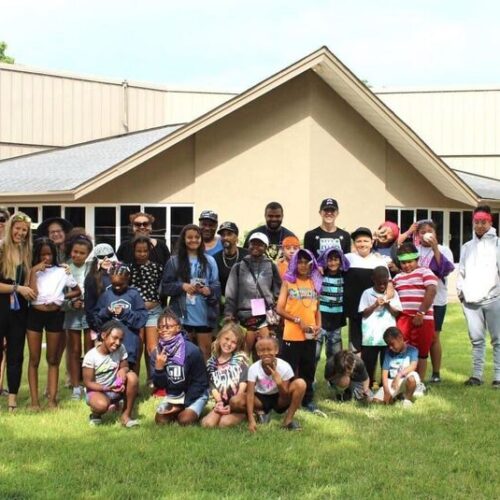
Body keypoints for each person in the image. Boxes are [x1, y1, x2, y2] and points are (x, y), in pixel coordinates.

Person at [27, 237, 81, 409]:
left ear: (54, 254)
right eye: (42, 255)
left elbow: (77, 290)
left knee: (52, 358)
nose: (46, 258)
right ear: (37, 255)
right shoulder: (32, 270)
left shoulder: (62, 271)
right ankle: (34, 401)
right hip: (35, 314)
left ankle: (52, 400)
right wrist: (33, 271)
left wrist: (61, 297)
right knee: (34, 358)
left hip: (55, 315)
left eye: (49, 254)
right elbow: (32, 293)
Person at [161, 224, 221, 362]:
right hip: (181, 315)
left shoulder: (210, 261)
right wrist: (182, 286)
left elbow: (217, 285)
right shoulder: (173, 261)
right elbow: (165, 287)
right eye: (189, 237)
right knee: (182, 353)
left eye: (197, 237)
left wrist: (209, 290)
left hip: (204, 314)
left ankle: (204, 376)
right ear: (184, 239)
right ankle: (184, 376)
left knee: (205, 352)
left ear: (201, 239)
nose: (193, 240)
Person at [276, 249, 324, 415]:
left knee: (308, 368)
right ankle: (285, 400)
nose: (303, 265)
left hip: (310, 335)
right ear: (295, 264)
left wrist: (318, 325)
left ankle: (307, 400)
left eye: (306, 262)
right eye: (300, 262)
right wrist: (298, 321)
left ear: (312, 264)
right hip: (292, 335)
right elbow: (279, 309)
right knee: (288, 369)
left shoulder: (314, 282)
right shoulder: (288, 282)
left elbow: (317, 308)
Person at [457, 205, 500, 388]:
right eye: (477, 222)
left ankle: (498, 376)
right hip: (470, 300)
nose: (480, 226)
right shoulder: (467, 246)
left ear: (490, 222)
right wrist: (460, 291)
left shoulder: (497, 244)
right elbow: (462, 271)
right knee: (476, 340)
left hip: (493, 298)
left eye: (484, 222)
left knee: (498, 340)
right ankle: (476, 376)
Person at [0, 212, 36, 411]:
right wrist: (17, 288)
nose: (21, 233)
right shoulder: (1, 249)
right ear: (10, 227)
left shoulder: (27, 253)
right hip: (1, 307)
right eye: (18, 228)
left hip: (19, 311)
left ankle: (12, 398)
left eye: (25, 230)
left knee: (16, 353)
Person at [224, 232, 281, 355]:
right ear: (248, 245)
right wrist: (229, 314)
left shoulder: (271, 266)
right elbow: (231, 292)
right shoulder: (238, 267)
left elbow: (278, 290)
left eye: (260, 244)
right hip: (244, 316)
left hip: (265, 316)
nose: (256, 247)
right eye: (253, 243)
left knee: (265, 351)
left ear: (265, 247)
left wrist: (277, 310)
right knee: (243, 353)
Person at [413, 220, 455, 383]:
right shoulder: (414, 249)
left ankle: (436, 373)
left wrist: (435, 248)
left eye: (430, 231)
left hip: (437, 301)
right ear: (418, 235)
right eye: (422, 232)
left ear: (436, 233)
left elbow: (444, 270)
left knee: (433, 337)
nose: (426, 234)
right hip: (417, 300)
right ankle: (414, 370)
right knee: (416, 336)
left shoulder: (444, 249)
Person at [152, 309, 209, 426]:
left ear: (178, 328)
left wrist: (182, 404)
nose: (164, 330)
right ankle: (178, 410)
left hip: (195, 393)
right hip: (175, 395)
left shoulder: (192, 350)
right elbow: (160, 385)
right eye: (161, 327)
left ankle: (188, 409)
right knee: (160, 421)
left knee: (185, 420)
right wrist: (159, 369)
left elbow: (201, 382)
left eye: (168, 327)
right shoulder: (157, 353)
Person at [393, 242, 437, 383]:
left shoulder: (425, 272)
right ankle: (405, 380)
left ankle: (419, 383)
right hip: (403, 319)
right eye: (403, 263)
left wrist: (421, 313)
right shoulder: (397, 278)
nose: (407, 265)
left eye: (410, 262)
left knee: (422, 352)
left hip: (423, 318)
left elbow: (432, 290)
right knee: (404, 349)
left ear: (417, 259)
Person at [82, 320, 139, 427]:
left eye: (120, 339)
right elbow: (88, 383)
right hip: (97, 391)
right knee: (102, 405)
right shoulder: (91, 356)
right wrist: (107, 388)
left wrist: (123, 371)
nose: (117, 343)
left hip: (114, 389)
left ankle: (126, 416)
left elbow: (125, 366)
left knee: (132, 377)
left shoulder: (120, 348)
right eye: (114, 338)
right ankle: (95, 414)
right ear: (103, 336)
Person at [93, 263, 147, 371]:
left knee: (127, 373)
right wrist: (107, 312)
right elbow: (97, 319)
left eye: (120, 284)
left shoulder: (134, 295)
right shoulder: (106, 295)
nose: (117, 287)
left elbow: (142, 319)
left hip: (129, 343)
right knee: (110, 373)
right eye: (114, 284)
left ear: (127, 279)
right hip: (110, 345)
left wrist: (124, 312)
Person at [245, 337, 306, 431]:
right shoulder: (253, 368)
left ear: (276, 350)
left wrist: (279, 383)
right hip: (261, 399)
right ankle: (260, 413)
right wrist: (251, 420)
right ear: (258, 352)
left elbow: (285, 396)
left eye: (269, 349)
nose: (266, 353)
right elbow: (250, 394)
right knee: (235, 401)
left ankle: (288, 420)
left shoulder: (285, 367)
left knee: (301, 383)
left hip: (279, 399)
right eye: (262, 350)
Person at [344, 227, 389, 354]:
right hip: (354, 310)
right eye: (359, 241)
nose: (362, 244)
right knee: (355, 346)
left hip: (375, 309)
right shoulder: (347, 259)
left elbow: (389, 284)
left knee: (372, 345)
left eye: (365, 241)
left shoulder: (379, 261)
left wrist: (385, 300)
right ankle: (356, 366)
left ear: (371, 242)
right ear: (354, 244)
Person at [358, 266, 402, 387]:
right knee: (369, 363)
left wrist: (388, 305)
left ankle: (385, 385)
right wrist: (375, 305)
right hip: (370, 337)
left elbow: (396, 313)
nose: (382, 286)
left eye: (384, 283)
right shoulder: (367, 293)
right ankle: (368, 385)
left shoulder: (392, 294)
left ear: (388, 279)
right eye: (379, 283)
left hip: (388, 337)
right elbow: (364, 313)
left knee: (387, 363)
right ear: (373, 279)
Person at [64, 233, 94, 400]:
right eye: (75, 251)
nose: (78, 255)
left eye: (82, 253)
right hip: (72, 314)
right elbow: (58, 295)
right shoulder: (65, 268)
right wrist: (70, 304)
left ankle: (89, 384)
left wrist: (88, 302)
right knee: (74, 350)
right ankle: (76, 386)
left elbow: (97, 290)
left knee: (90, 350)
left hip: (88, 313)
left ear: (88, 254)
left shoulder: (92, 268)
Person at [129, 236, 163, 382]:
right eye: (139, 251)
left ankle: (153, 380)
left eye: (145, 251)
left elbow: (162, 289)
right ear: (133, 251)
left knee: (152, 348)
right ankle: (134, 381)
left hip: (154, 312)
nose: (142, 254)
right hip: (135, 313)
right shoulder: (128, 269)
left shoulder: (157, 268)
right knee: (137, 349)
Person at [202, 322, 249, 428]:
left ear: (237, 345)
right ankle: (218, 411)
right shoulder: (211, 363)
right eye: (226, 339)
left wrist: (233, 405)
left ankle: (245, 415)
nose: (228, 344)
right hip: (222, 402)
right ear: (219, 338)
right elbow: (213, 386)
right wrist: (219, 403)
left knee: (224, 423)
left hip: (237, 403)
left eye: (233, 342)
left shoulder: (241, 359)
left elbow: (243, 384)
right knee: (207, 424)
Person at [316, 247, 350, 365]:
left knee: (334, 355)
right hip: (320, 319)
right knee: (315, 353)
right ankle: (310, 375)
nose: (333, 263)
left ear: (340, 261)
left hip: (336, 320)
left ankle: (332, 375)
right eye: (330, 260)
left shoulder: (344, 276)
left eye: (336, 260)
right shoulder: (319, 275)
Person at [372, 327, 419, 407]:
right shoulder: (388, 353)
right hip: (392, 382)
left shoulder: (412, 350)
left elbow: (413, 366)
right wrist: (386, 391)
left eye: (392, 344)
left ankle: (407, 400)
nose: (390, 347)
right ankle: (397, 396)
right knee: (376, 401)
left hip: (405, 380)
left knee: (412, 378)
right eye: (388, 345)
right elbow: (384, 373)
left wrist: (399, 375)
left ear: (400, 338)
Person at [84, 243, 118, 337]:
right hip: (101, 324)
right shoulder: (91, 278)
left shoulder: (121, 273)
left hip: (121, 323)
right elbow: (89, 306)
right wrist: (96, 326)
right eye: (101, 257)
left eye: (109, 256)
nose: (106, 259)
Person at [213, 221, 248, 295]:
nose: (225, 238)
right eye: (222, 235)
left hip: (245, 299)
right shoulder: (215, 259)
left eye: (229, 234)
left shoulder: (247, 255)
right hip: (224, 300)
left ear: (236, 237)